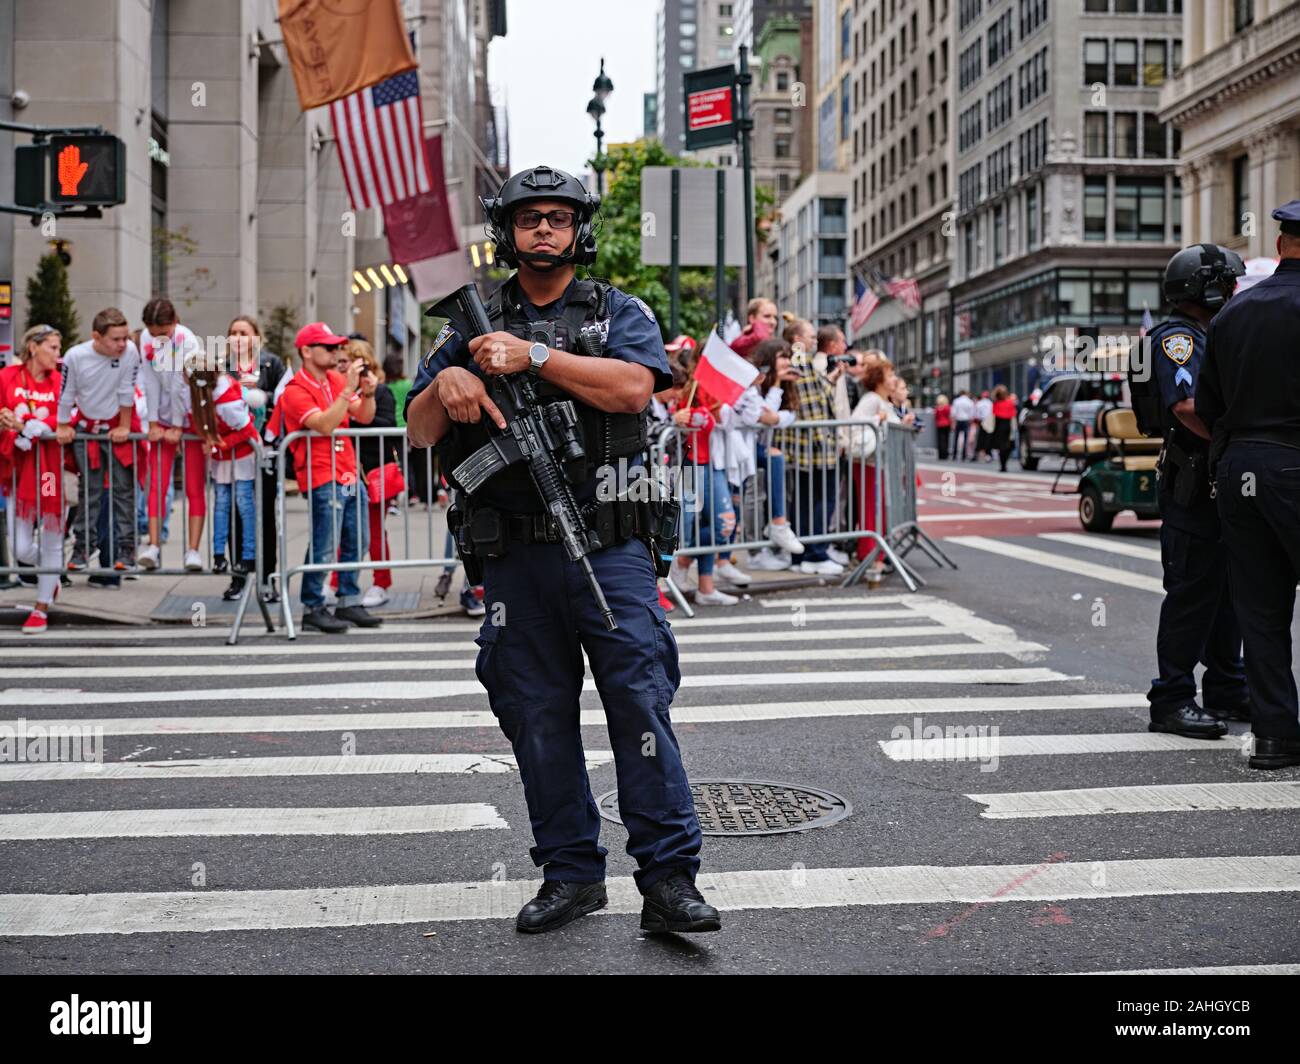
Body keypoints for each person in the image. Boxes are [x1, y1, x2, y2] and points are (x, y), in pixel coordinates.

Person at [404, 163, 718, 935]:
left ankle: (669, 880)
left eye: (558, 216)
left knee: (639, 702)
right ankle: (571, 873)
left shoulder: (618, 311)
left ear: (581, 229)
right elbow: (417, 430)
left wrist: (533, 358)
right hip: (514, 554)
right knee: (537, 716)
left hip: (610, 546)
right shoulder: (466, 328)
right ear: (505, 231)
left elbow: (635, 390)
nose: (543, 228)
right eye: (528, 217)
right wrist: (445, 389)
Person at [1197, 204, 1300, 769]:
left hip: (1240, 469)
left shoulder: (1233, 314)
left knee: (1260, 611)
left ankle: (1275, 736)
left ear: (1282, 246)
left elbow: (1209, 406)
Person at [1135, 243, 1250, 742]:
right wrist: (1231, 440)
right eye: (1226, 283)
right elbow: (1185, 406)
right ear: (1203, 287)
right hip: (1193, 483)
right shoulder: (1177, 339)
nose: (1232, 291)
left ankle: (1225, 686)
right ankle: (1173, 698)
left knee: (1227, 592)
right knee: (1192, 593)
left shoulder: (1206, 332)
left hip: (1214, 481)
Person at [279, 321, 383, 633]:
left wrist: (368, 393)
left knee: (358, 538)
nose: (336, 351)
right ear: (306, 351)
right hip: (321, 474)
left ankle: (348, 600)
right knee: (326, 542)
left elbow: (364, 416)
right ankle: (313, 606)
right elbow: (324, 425)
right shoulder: (294, 391)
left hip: (349, 472)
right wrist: (350, 389)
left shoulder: (336, 380)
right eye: (328, 347)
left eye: (336, 346)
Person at [55, 307, 141, 575]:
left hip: (116, 423)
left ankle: (127, 548)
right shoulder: (75, 356)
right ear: (96, 336)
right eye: (115, 339)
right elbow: (66, 393)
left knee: (123, 490)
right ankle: (82, 546)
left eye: (125, 337)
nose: (122, 344)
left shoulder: (130, 353)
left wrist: (125, 426)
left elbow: (128, 390)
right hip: (87, 425)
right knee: (89, 491)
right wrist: (62, 425)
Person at [0, 325, 65, 632]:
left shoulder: (61, 380)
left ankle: (41, 606)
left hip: (49, 467)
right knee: (22, 547)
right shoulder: (7, 377)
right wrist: (8, 422)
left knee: (51, 530)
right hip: (17, 466)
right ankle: (51, 571)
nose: (57, 354)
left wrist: (28, 424)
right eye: (52, 347)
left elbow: (68, 415)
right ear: (33, 348)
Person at [137, 298, 207, 572]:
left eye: (163, 334)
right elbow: (150, 381)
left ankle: (193, 551)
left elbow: (181, 385)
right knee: (157, 483)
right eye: (153, 334)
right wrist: (154, 422)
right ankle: (153, 546)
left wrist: (178, 426)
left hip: (189, 415)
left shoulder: (188, 341)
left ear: (175, 324)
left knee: (193, 486)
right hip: (164, 415)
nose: (158, 339)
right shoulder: (146, 338)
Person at [330, 339, 400, 609]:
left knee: (372, 531)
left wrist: (359, 419)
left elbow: (387, 425)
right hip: (347, 472)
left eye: (345, 362)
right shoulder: (341, 391)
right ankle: (338, 582)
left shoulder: (379, 392)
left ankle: (381, 582)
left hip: (373, 472)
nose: (340, 367)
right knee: (346, 529)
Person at [775, 318, 844, 575]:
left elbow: (813, 394)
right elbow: (812, 406)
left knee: (804, 501)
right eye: (811, 336)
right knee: (821, 499)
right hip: (814, 447)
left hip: (804, 446)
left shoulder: (798, 363)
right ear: (797, 340)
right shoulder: (799, 361)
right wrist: (827, 441)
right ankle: (815, 553)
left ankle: (802, 555)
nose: (815, 341)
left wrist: (830, 380)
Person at [226, 315, 285, 603]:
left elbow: (284, 399)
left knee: (263, 513)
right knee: (234, 512)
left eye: (244, 333)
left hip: (264, 450)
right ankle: (238, 576)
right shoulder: (223, 368)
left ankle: (267, 577)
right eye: (234, 333)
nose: (238, 338)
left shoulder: (271, 364)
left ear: (256, 337)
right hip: (232, 452)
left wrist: (261, 394)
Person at [990, 385, 1017, 472]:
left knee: (1001, 447)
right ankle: (1004, 464)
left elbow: (993, 415)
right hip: (1007, 427)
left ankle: (1003, 465)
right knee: (1007, 446)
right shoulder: (1009, 403)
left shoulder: (996, 403)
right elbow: (1013, 416)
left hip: (998, 427)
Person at [950, 389, 974, 460]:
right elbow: (971, 414)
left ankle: (954, 454)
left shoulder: (956, 401)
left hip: (958, 420)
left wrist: (953, 422)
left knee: (956, 437)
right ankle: (964, 455)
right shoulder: (970, 402)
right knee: (965, 438)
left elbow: (953, 413)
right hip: (966, 420)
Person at [973, 389, 994, 461]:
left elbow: (976, 414)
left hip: (981, 422)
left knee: (980, 438)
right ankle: (988, 454)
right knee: (988, 438)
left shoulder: (979, 403)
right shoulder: (990, 403)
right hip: (989, 421)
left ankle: (976, 454)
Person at [933, 393, 952, 461]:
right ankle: (945, 454)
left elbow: (936, 416)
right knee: (946, 440)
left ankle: (941, 454)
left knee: (940, 440)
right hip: (946, 424)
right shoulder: (947, 407)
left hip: (939, 424)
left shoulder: (937, 408)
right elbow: (949, 416)